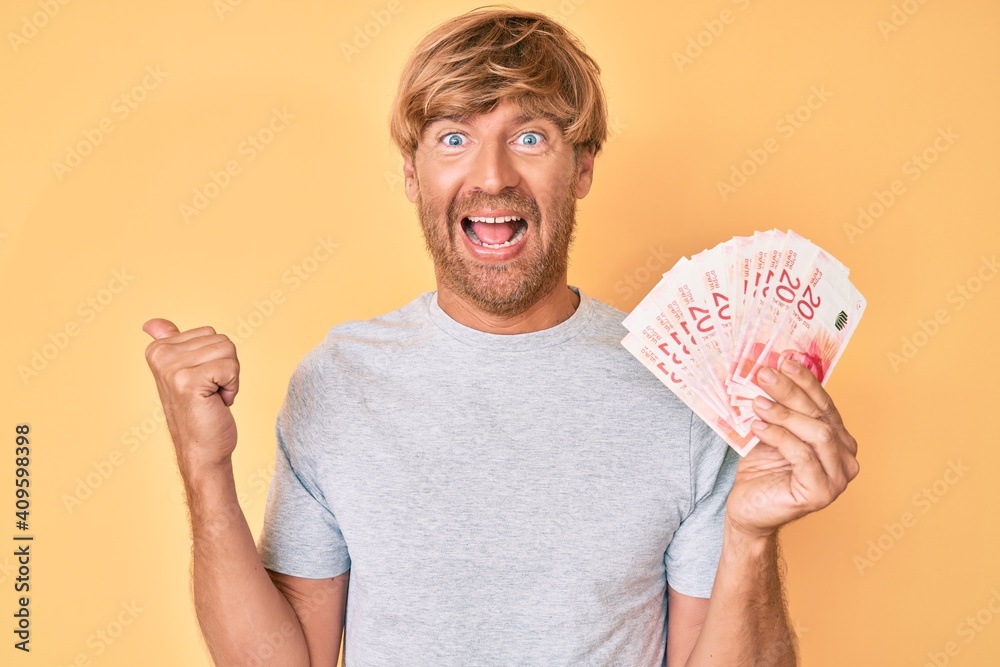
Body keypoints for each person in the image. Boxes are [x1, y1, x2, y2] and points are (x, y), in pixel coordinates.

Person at [141, 7, 859, 666]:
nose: (492, 175)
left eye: (529, 137)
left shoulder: (680, 384)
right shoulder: (337, 380)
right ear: (412, 176)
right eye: (454, 137)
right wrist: (204, 471)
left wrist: (752, 536)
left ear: (580, 169)